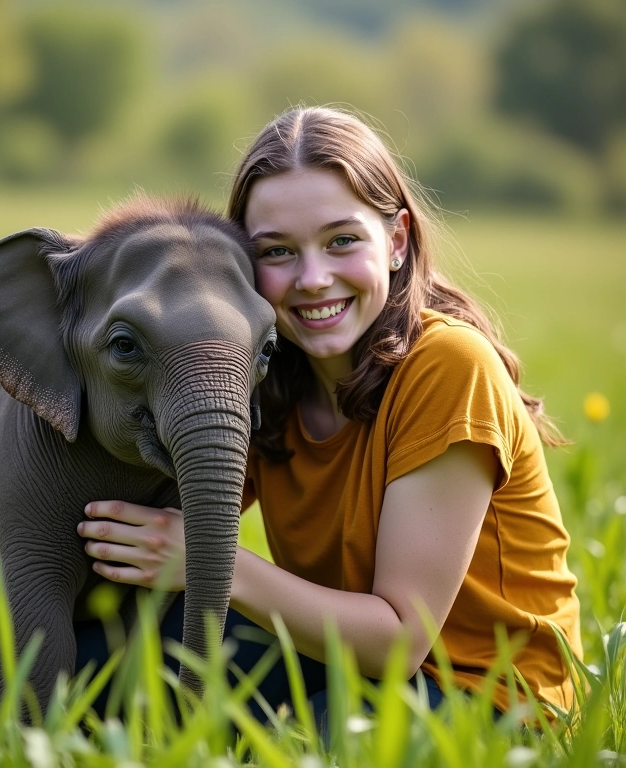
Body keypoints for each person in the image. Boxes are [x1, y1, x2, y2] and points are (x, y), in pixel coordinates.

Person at [75, 105, 582, 722]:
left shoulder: (450, 365)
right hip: (341, 661)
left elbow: (402, 640)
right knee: (116, 650)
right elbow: (161, 520)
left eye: (341, 241)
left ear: (395, 242)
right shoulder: (263, 375)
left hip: (491, 699)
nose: (313, 279)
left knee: (303, 733)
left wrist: (211, 560)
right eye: (278, 251)